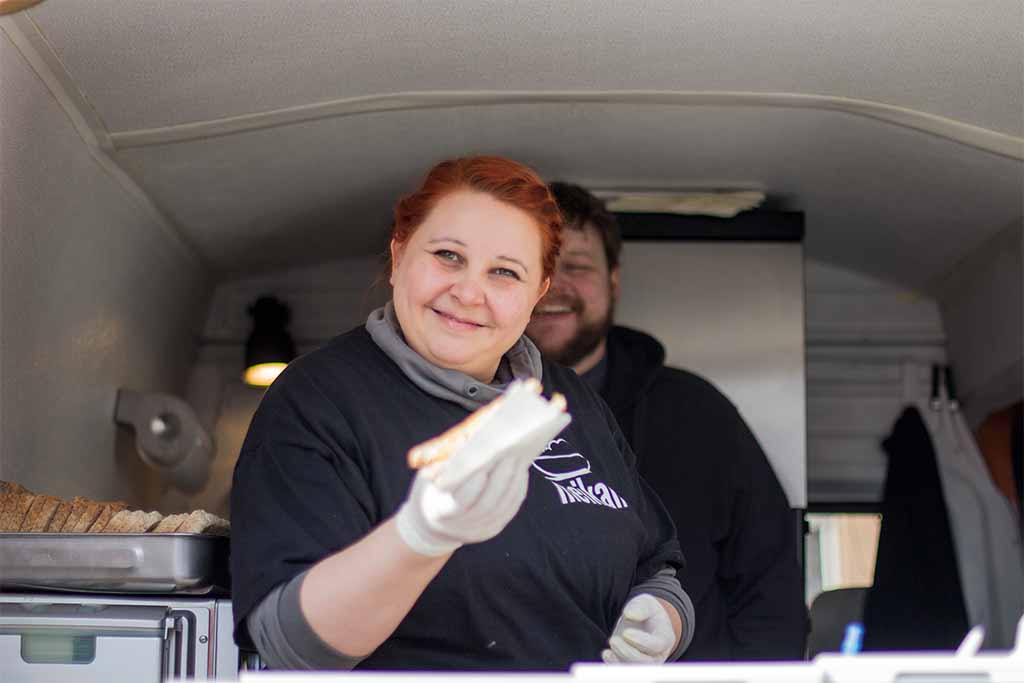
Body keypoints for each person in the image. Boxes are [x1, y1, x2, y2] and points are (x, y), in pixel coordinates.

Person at [230, 157, 695, 671]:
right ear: (399, 252)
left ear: (537, 292)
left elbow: (656, 564)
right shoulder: (321, 395)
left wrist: (662, 616)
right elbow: (291, 644)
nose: (470, 292)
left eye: (504, 272)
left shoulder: (570, 403)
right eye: (448, 256)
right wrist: (418, 539)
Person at [526, 182, 808, 661]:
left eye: (576, 265)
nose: (555, 285)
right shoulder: (449, 416)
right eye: (535, 268)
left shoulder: (697, 411)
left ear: (613, 280)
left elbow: (771, 584)